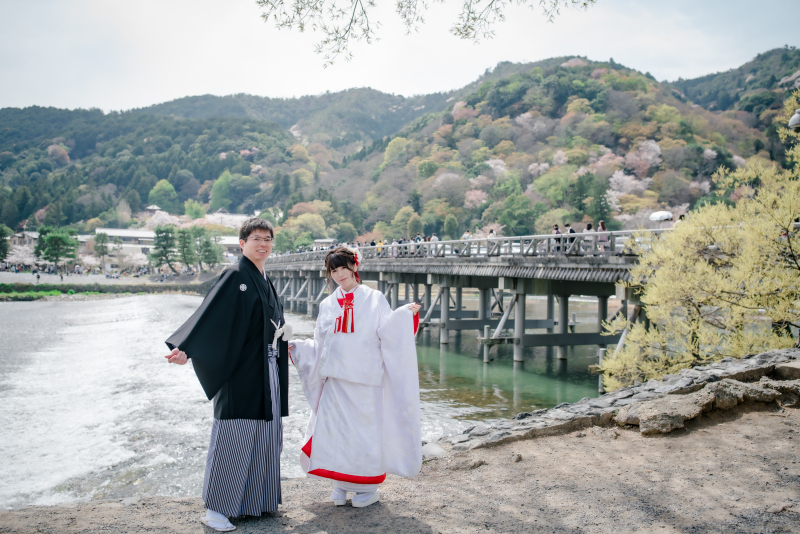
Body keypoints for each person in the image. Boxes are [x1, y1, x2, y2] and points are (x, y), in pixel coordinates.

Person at [162, 217, 291, 532]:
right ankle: (217, 509)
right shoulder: (235, 275)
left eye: (268, 239)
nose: (263, 244)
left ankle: (253, 502)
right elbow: (212, 317)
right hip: (241, 370)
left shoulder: (263, 276)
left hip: (266, 365)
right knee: (236, 433)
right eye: (256, 238)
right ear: (242, 242)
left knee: (265, 434)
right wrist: (188, 349)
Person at [289, 247, 422, 508]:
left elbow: (389, 333)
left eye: (343, 268)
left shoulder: (375, 299)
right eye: (333, 270)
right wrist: (298, 348)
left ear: (354, 267)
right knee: (335, 434)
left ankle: (368, 487)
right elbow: (319, 345)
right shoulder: (327, 305)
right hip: (335, 382)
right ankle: (341, 484)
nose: (339, 275)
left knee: (364, 436)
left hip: (365, 381)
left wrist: (406, 315)